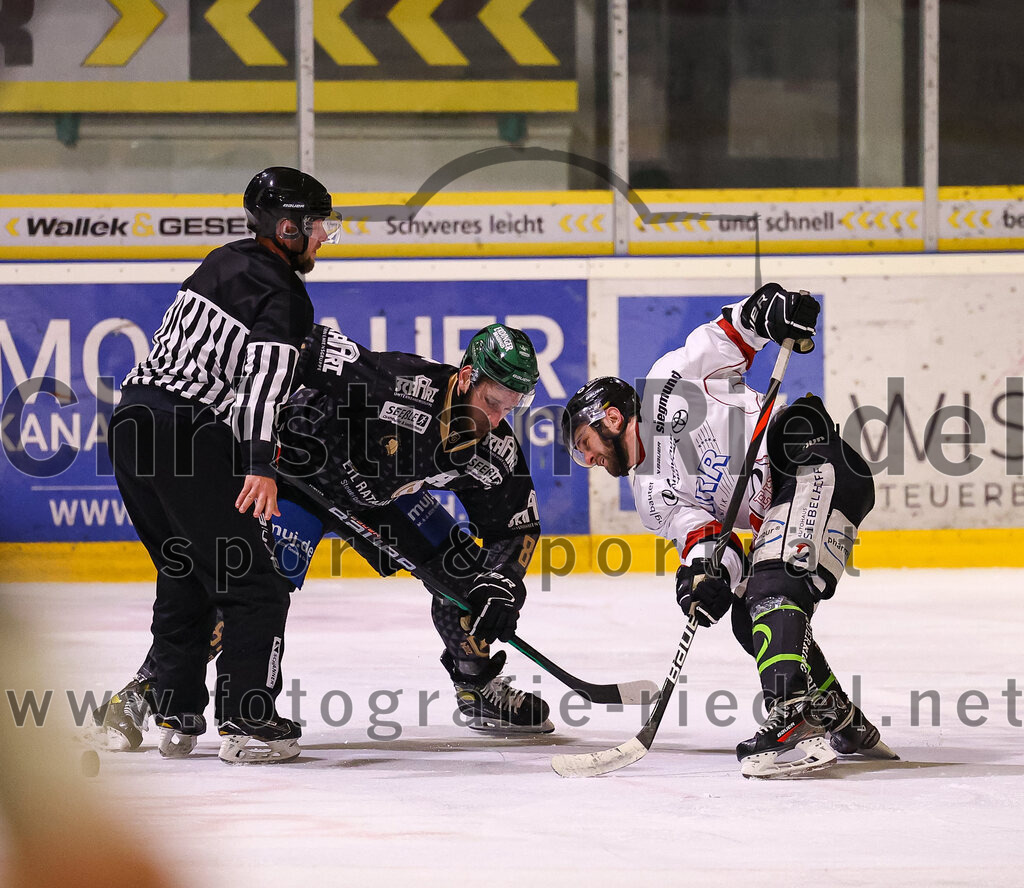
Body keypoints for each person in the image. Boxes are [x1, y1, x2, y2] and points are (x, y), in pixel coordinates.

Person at [94, 322, 551, 751]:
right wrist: (260, 430)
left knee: (470, 580)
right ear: (467, 377)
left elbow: (517, 525)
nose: (498, 419)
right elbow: (296, 341)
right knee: (250, 587)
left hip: (382, 498)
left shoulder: (494, 448)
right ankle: (151, 685)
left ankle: (476, 685)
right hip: (299, 484)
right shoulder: (398, 383)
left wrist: (504, 583)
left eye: (513, 406)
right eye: (493, 402)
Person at [561, 282, 897, 778]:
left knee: (772, 588)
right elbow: (710, 542)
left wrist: (775, 310)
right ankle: (839, 718)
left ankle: (794, 711)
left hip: (809, 460)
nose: (586, 459)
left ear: (611, 417)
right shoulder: (649, 499)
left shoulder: (669, 382)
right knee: (748, 612)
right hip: (783, 510)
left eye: (585, 443)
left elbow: (737, 328)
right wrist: (702, 577)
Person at [105, 166, 341, 764]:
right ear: (287, 228)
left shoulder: (221, 260)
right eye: (316, 228)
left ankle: (176, 713)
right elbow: (263, 386)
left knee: (184, 568)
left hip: (133, 423)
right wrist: (261, 464)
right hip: (188, 431)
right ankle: (247, 723)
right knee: (255, 583)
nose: (322, 240)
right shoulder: (285, 294)